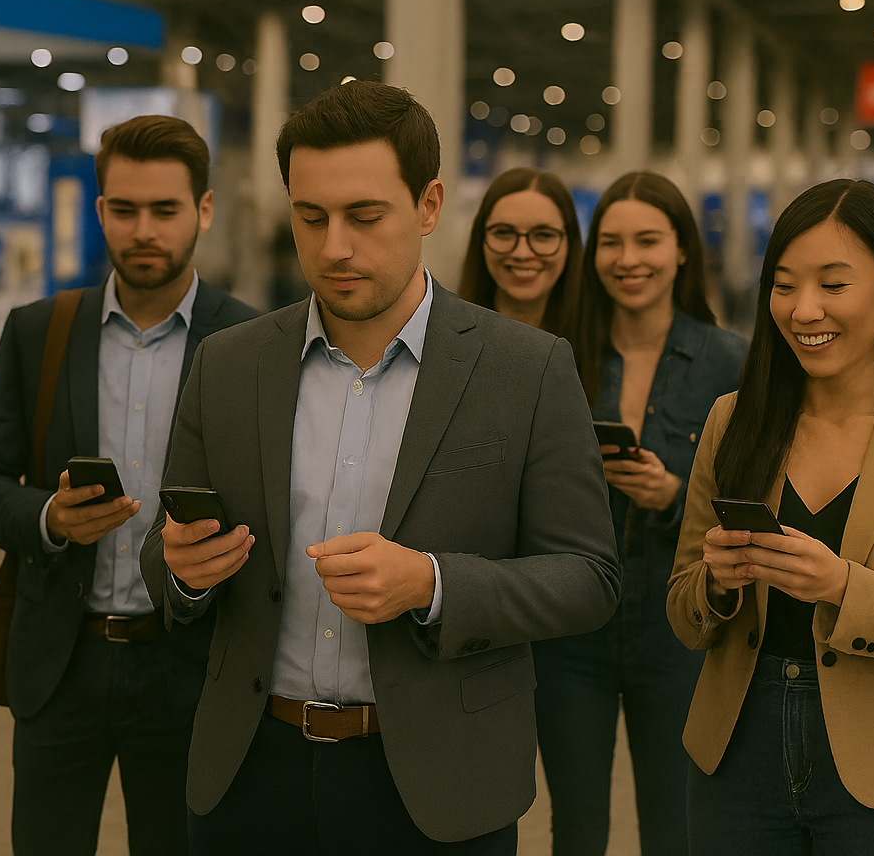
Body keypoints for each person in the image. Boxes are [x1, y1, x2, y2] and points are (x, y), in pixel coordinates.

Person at [140, 79, 621, 855]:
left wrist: (432, 583)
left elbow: (589, 577)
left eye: (365, 217)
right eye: (310, 217)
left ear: (429, 207)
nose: (334, 247)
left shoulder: (524, 369)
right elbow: (163, 566)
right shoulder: (227, 365)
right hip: (250, 776)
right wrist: (184, 569)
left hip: (437, 788)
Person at [667, 179, 874, 856]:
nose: (803, 310)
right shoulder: (734, 419)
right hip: (736, 759)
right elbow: (684, 611)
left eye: (833, 284)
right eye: (785, 284)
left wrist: (844, 588)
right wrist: (715, 584)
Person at [0, 115, 258, 856]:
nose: (144, 230)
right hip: (63, 661)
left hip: (188, 664)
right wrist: (50, 518)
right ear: (101, 214)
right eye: (124, 210)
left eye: (165, 210)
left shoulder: (250, 341)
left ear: (204, 211)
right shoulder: (41, 330)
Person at [530, 171, 746, 856]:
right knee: (577, 828)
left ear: (682, 250)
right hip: (570, 634)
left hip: (677, 634)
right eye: (612, 243)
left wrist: (674, 497)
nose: (629, 260)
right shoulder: (556, 355)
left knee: (676, 826)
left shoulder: (729, 361)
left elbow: (757, 503)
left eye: (648, 241)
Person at [457, 167, 583, 338]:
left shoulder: (599, 348)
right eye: (503, 233)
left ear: (570, 242)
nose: (522, 253)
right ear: (480, 239)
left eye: (543, 235)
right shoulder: (443, 339)